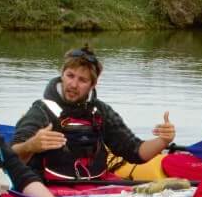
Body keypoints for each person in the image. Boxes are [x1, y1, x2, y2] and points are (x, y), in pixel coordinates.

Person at [10, 44, 176, 182]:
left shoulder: (101, 111)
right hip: (49, 188)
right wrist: (30, 145)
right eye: (70, 76)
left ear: (92, 85)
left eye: (82, 80)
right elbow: (12, 153)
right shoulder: (41, 111)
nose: (73, 84)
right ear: (62, 75)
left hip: (95, 187)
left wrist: (163, 140)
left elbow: (135, 151)